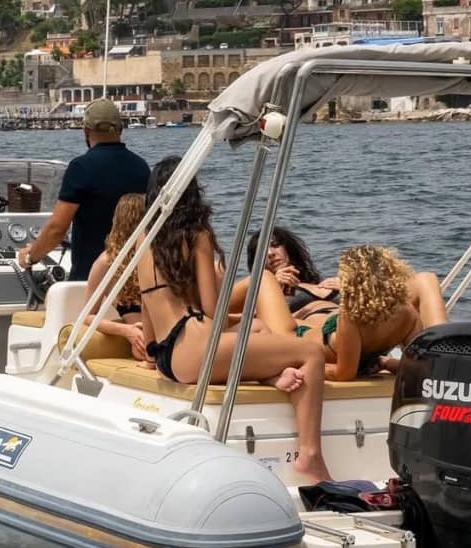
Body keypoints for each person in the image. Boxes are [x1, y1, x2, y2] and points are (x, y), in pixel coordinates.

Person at [138, 157, 331, 484]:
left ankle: (273, 377)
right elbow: (212, 311)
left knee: (256, 329)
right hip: (196, 350)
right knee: (309, 353)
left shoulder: (145, 236)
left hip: (168, 357)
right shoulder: (196, 234)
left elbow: (149, 318)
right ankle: (310, 456)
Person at [17, 98, 150, 281]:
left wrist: (31, 256)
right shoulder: (142, 167)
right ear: (121, 129)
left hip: (90, 278)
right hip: (133, 277)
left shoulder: (81, 167)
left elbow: (57, 229)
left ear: (86, 131)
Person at [298, 244, 448, 381]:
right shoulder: (408, 312)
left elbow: (343, 374)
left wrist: (303, 366)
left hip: (304, 334)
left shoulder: (352, 316)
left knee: (292, 324)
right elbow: (420, 367)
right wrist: (386, 363)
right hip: (323, 325)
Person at [83, 193, 149, 361]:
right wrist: (127, 331)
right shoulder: (106, 263)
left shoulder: (157, 256)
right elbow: (88, 317)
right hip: (145, 343)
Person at [246, 226, 340, 314]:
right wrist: (273, 285)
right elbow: (251, 317)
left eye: (275, 245)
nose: (270, 253)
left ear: (288, 249)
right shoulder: (258, 292)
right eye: (262, 252)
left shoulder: (318, 283)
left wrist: (350, 287)